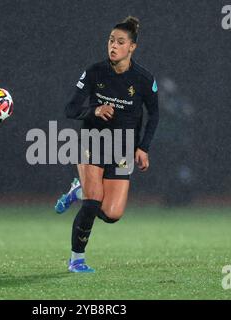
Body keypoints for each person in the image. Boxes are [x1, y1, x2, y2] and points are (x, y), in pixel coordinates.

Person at [56, 16, 160, 273]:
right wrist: (94, 110)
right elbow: (70, 109)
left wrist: (143, 147)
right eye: (111, 40)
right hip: (92, 141)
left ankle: (77, 191)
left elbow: (154, 114)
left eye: (120, 42)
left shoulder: (144, 79)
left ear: (132, 47)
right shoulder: (94, 72)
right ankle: (76, 260)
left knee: (112, 214)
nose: (113, 46)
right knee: (93, 202)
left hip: (123, 148)